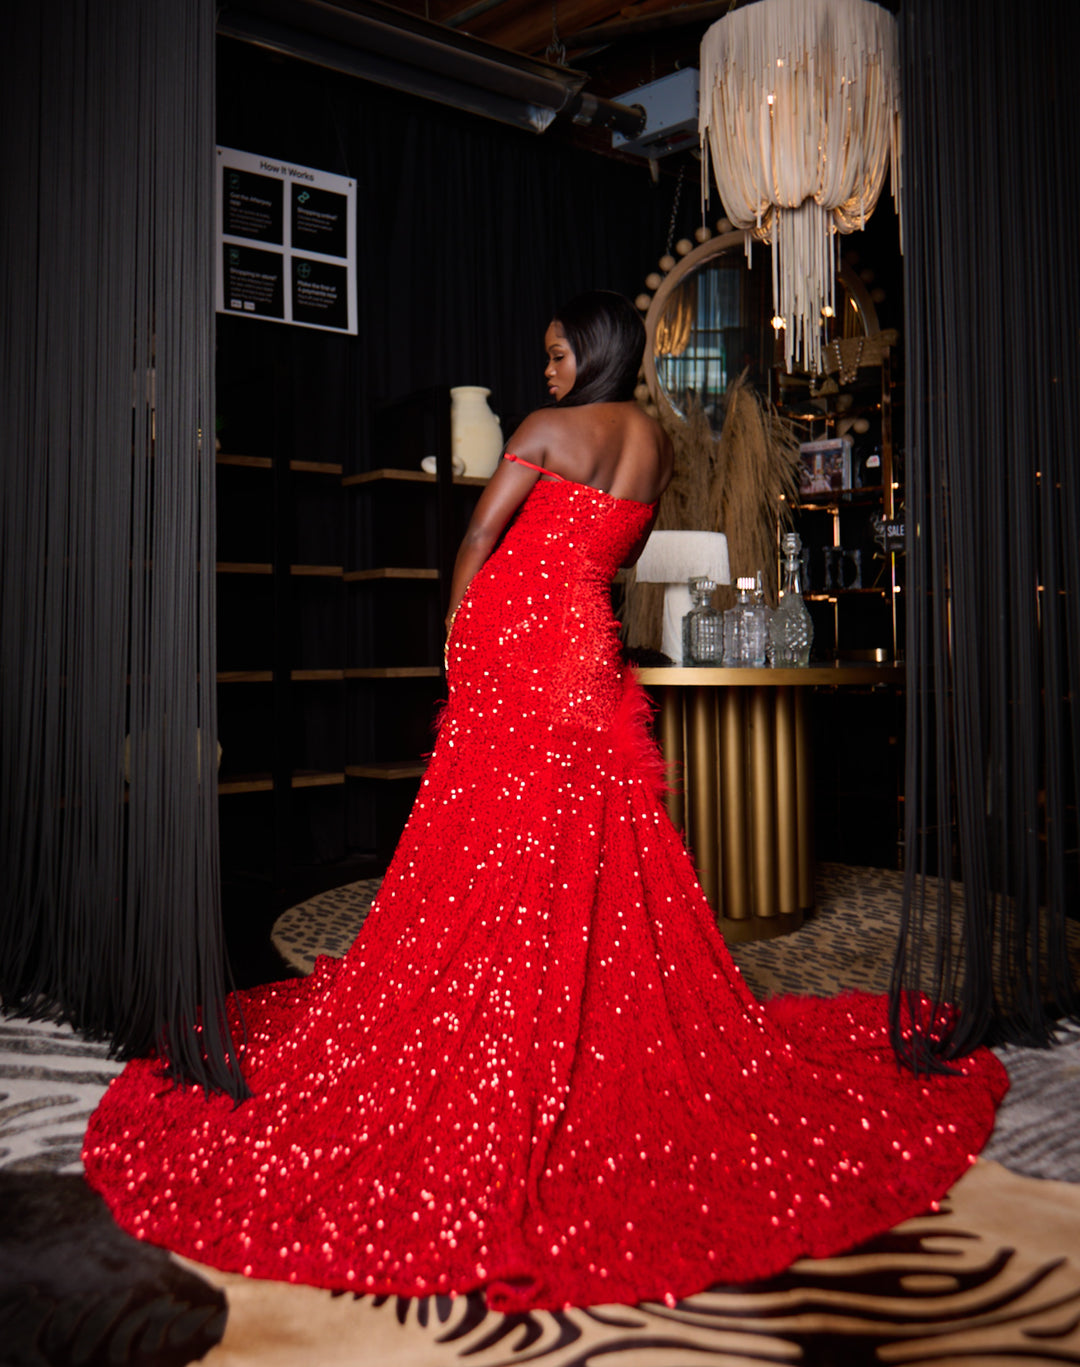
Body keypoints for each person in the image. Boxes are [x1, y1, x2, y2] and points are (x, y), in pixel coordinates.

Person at [83, 291, 1007, 1314]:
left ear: (596, 350)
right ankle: (562, 987)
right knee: (584, 833)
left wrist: (453, 638)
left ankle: (504, 995)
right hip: (587, 646)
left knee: (489, 832)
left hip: (519, 640)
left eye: (560, 351)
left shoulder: (541, 432)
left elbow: (481, 537)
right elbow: (608, 558)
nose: (551, 367)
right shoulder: (655, 445)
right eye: (548, 356)